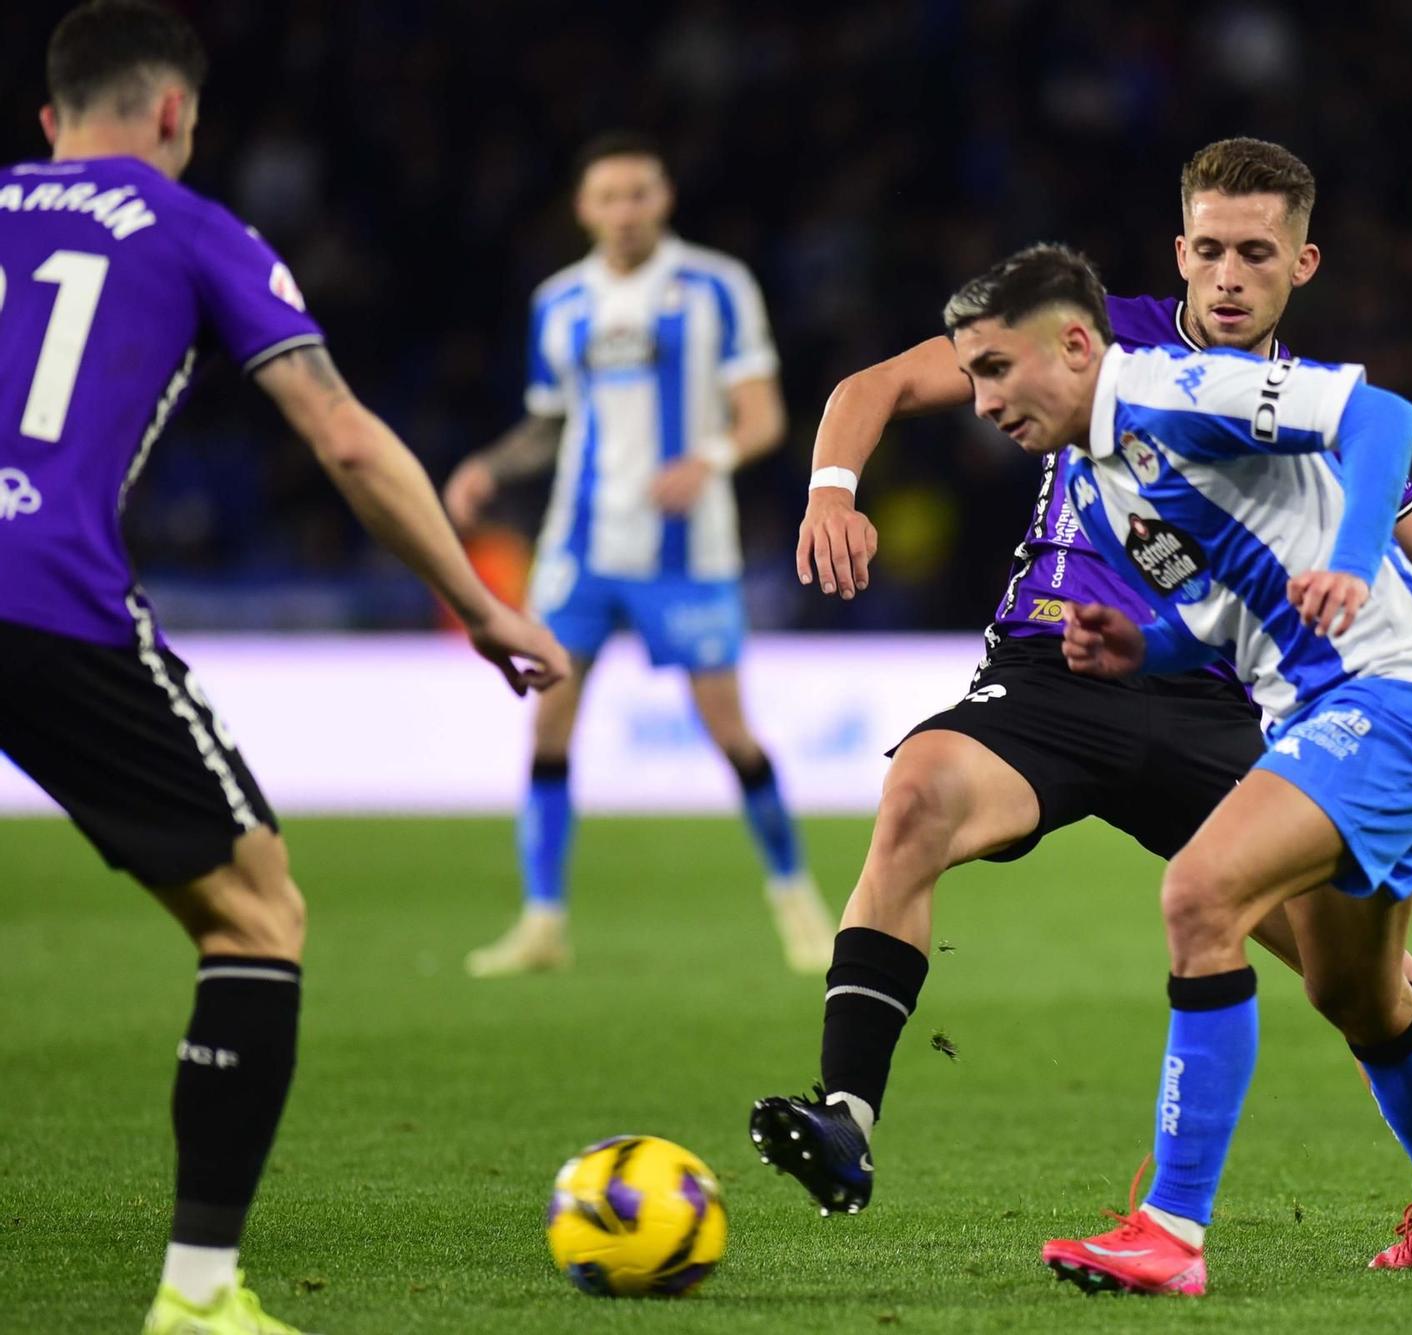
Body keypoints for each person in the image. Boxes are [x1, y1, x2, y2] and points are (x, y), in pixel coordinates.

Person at [750, 140, 1412, 1259]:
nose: (1226, 277)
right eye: (1207, 250)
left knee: (1363, 986)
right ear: (1176, 253)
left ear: (1301, 264)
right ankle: (848, 1115)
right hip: (1064, 669)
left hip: (1231, 709)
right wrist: (832, 490)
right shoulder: (1093, 347)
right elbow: (878, 385)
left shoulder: (1295, 412)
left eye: (1254, 254)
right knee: (919, 792)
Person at [0, 4, 569, 1331]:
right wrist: (475, 600)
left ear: (47, 120)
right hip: (41, 595)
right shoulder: (197, 229)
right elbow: (346, 439)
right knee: (255, 912)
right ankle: (198, 1293)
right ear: (172, 118)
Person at [943, 240, 1412, 1293]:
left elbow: (1382, 421)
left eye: (994, 369)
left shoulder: (1176, 388)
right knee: (1360, 997)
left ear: (1070, 344)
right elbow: (1214, 617)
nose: (978, 400)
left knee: (1198, 891)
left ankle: (1170, 1231)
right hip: (1319, 713)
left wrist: (1351, 548)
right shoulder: (1099, 488)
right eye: (970, 376)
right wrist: (1138, 651)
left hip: (1395, 695)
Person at [445, 134, 834, 978]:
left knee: (729, 729)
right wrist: (487, 466)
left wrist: (710, 460)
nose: (626, 210)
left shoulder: (716, 289)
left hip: (685, 554)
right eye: (609, 196)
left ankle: (798, 901)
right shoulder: (560, 302)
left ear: (666, 199)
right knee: (549, 720)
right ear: (584, 209)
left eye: (640, 193)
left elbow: (763, 415)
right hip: (581, 547)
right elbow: (551, 421)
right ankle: (542, 920)